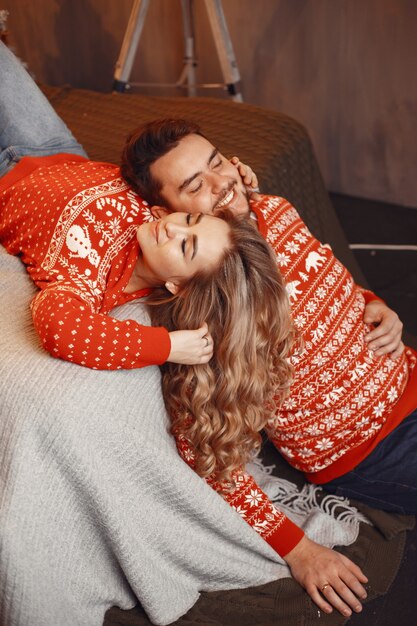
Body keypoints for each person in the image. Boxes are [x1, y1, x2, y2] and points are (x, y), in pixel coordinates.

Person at [121, 117, 417, 619]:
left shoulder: (274, 210)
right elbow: (210, 455)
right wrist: (299, 550)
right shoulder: (209, 312)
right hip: (372, 448)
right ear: (167, 213)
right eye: (196, 186)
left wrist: (373, 303)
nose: (223, 183)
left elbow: (323, 277)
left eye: (217, 163)